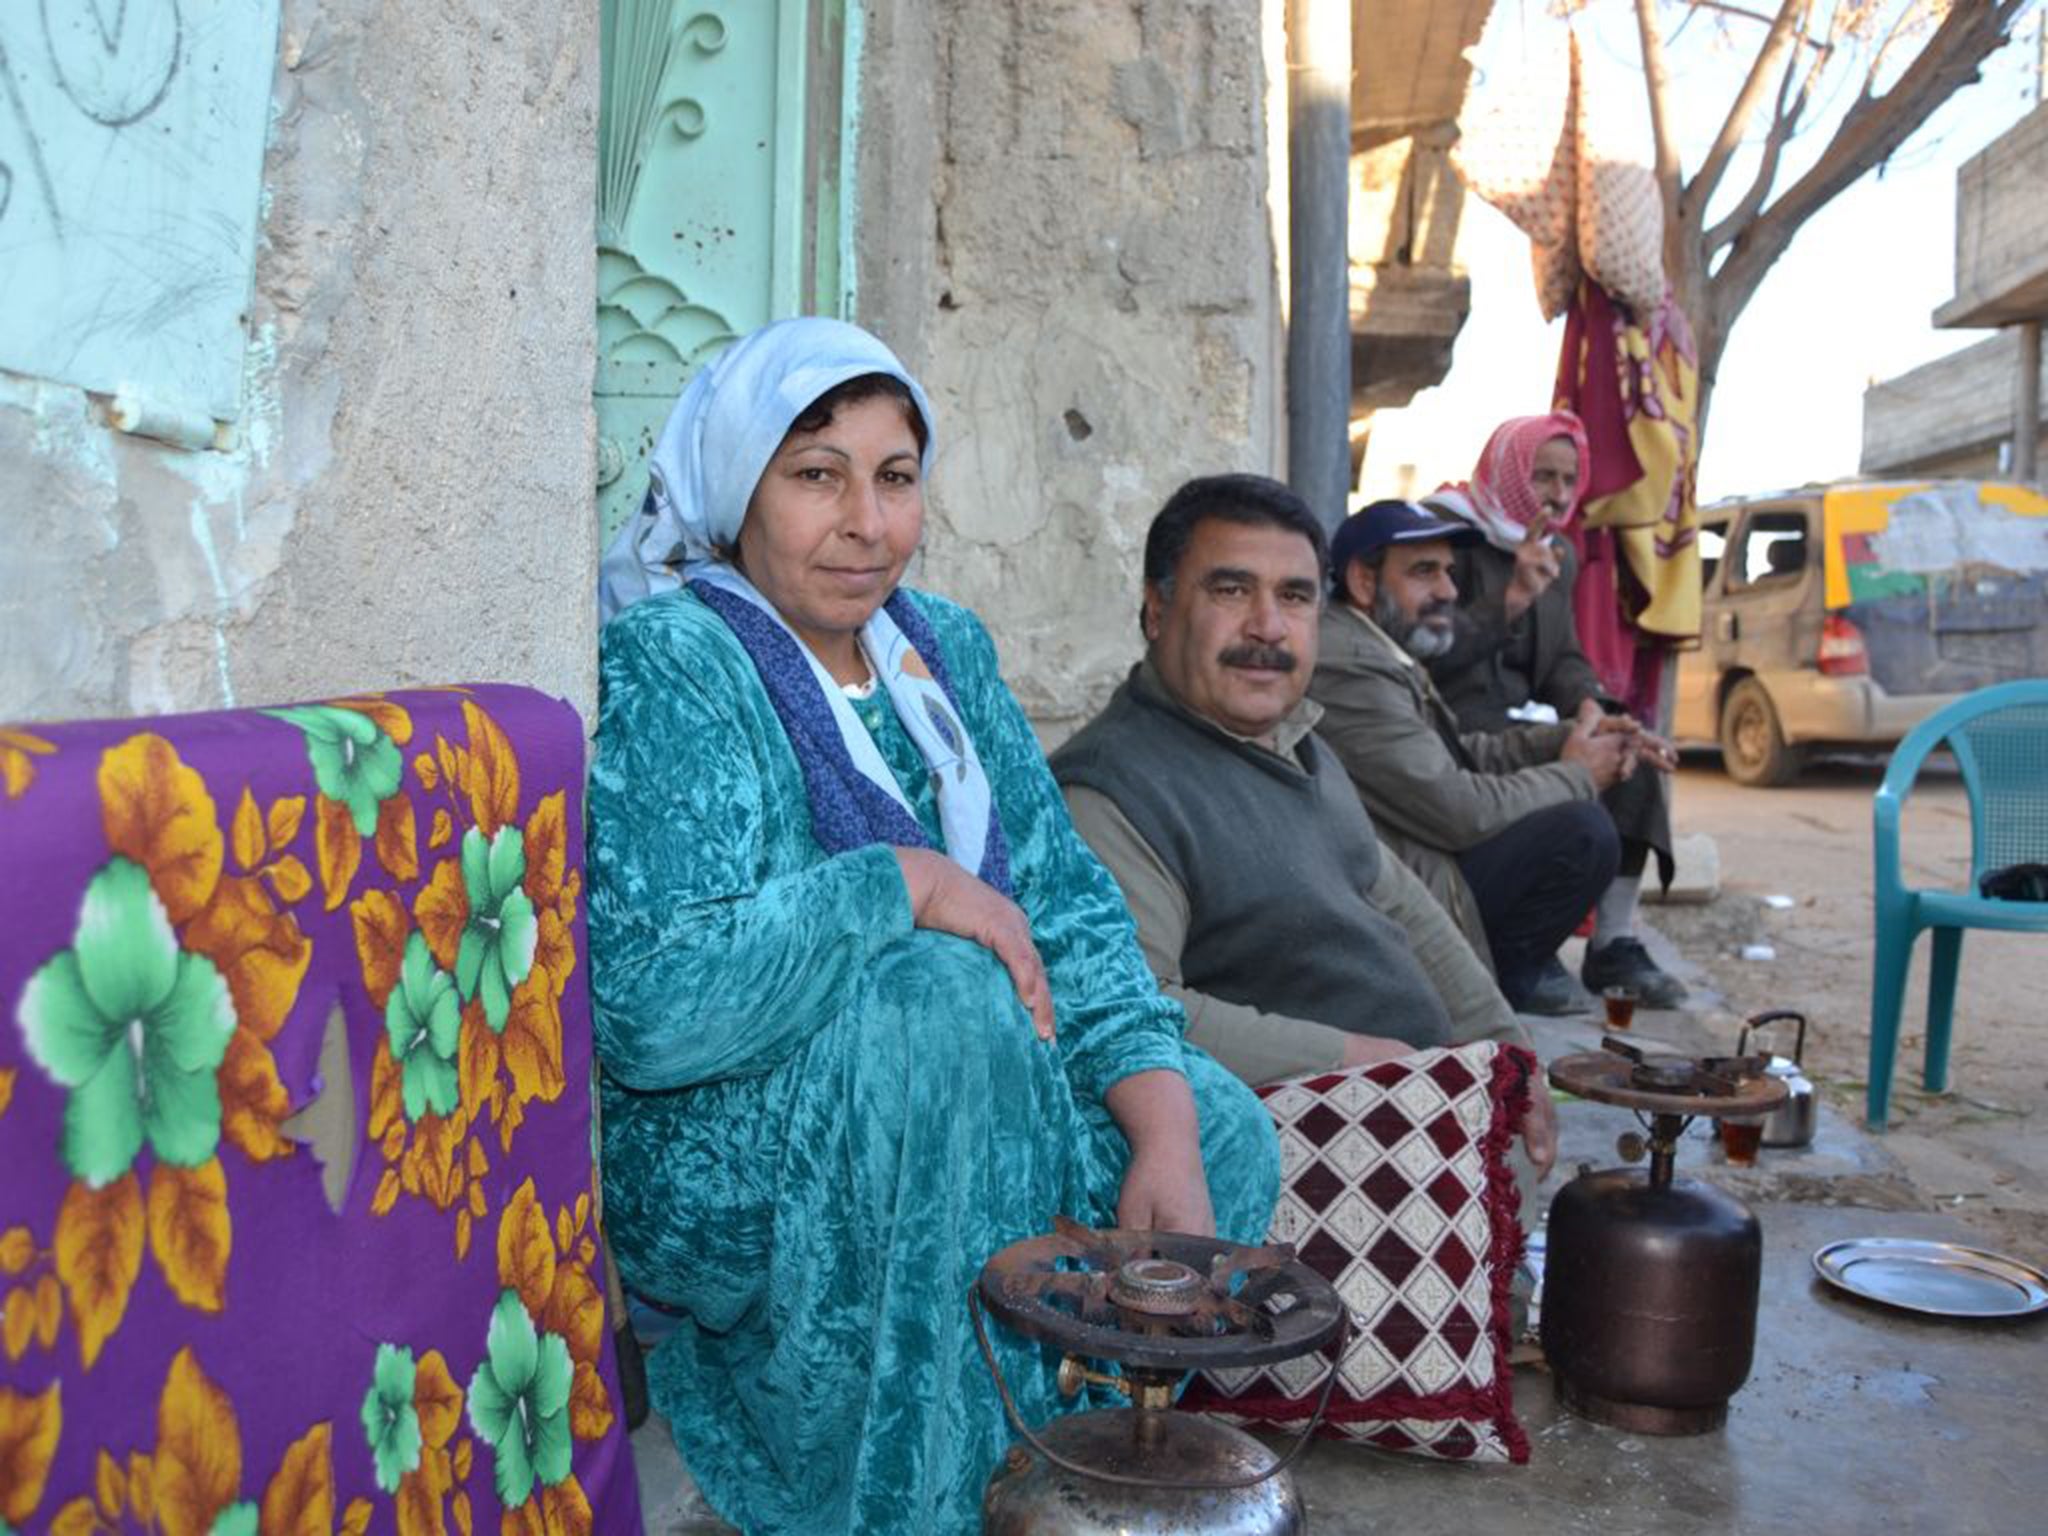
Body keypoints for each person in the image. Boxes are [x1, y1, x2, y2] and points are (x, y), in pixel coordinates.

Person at [589, 318, 1278, 1535]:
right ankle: (914, 1495)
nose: (866, 522)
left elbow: (1061, 905)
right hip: (736, 1152)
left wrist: (1159, 1121)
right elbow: (651, 1006)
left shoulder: (937, 648)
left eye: (895, 477)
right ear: (734, 486)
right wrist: (895, 884)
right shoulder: (680, 656)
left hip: (945, 1084)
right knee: (942, 1000)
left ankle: (1057, 1471)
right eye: (815, 475)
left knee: (1211, 1123)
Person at [1048, 473, 1557, 1184]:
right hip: (1296, 1176)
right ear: (1158, 610)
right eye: (1230, 591)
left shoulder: (1297, 742)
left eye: (1294, 597)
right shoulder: (1111, 790)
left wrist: (1508, 1047)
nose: (1267, 627)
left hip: (1416, 1125)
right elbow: (1130, 1013)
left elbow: (1400, 901)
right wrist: (1360, 1062)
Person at [1311, 498, 1679, 1017]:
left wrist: (1569, 736)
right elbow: (1459, 811)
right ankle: (1480, 1006)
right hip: (1388, 891)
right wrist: (1576, 773)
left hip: (1418, 854)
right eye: (1425, 573)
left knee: (1604, 794)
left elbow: (1464, 751)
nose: (1449, 591)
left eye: (1448, 572)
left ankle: (1507, 992)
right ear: (1364, 582)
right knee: (1579, 829)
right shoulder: (1351, 665)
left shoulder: (1380, 649)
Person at [1423, 413, 1683, 1007]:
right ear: (1509, 469)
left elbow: (1561, 658)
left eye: (1569, 480)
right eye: (1543, 476)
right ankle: (1522, 956)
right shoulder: (1444, 536)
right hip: (1447, 728)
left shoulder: (1554, 552)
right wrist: (1510, 597)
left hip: (1515, 724)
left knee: (1628, 754)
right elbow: (1427, 653)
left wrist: (1595, 708)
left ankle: (1613, 946)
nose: (1558, 495)